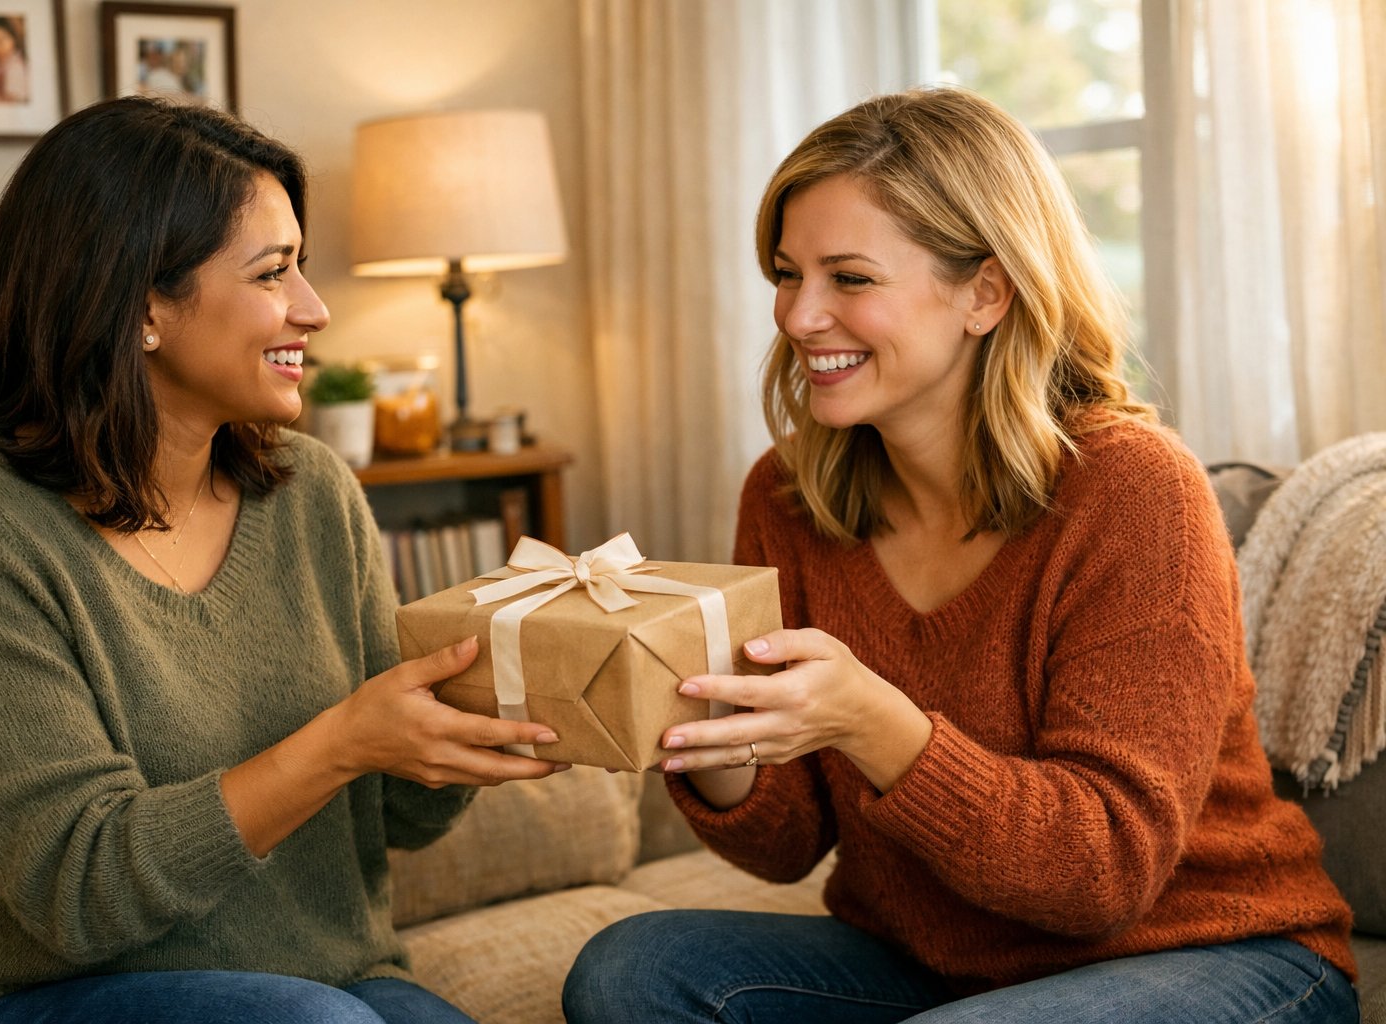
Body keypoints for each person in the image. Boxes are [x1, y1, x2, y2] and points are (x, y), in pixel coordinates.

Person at [563, 87, 1360, 1023]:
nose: (798, 316)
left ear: (985, 292)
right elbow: (785, 844)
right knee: (629, 971)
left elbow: (1102, 873)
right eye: (787, 274)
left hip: (1217, 952)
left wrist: (869, 718)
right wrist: (701, 729)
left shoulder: (1135, 492)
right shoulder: (788, 496)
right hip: (936, 965)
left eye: (849, 279)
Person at [0, 96, 568, 1024]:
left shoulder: (311, 491)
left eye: (301, 268)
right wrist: (342, 740)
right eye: (274, 273)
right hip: (23, 996)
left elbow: (393, 818)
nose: (313, 309)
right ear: (142, 302)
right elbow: (82, 889)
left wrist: (496, 704)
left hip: (325, 982)